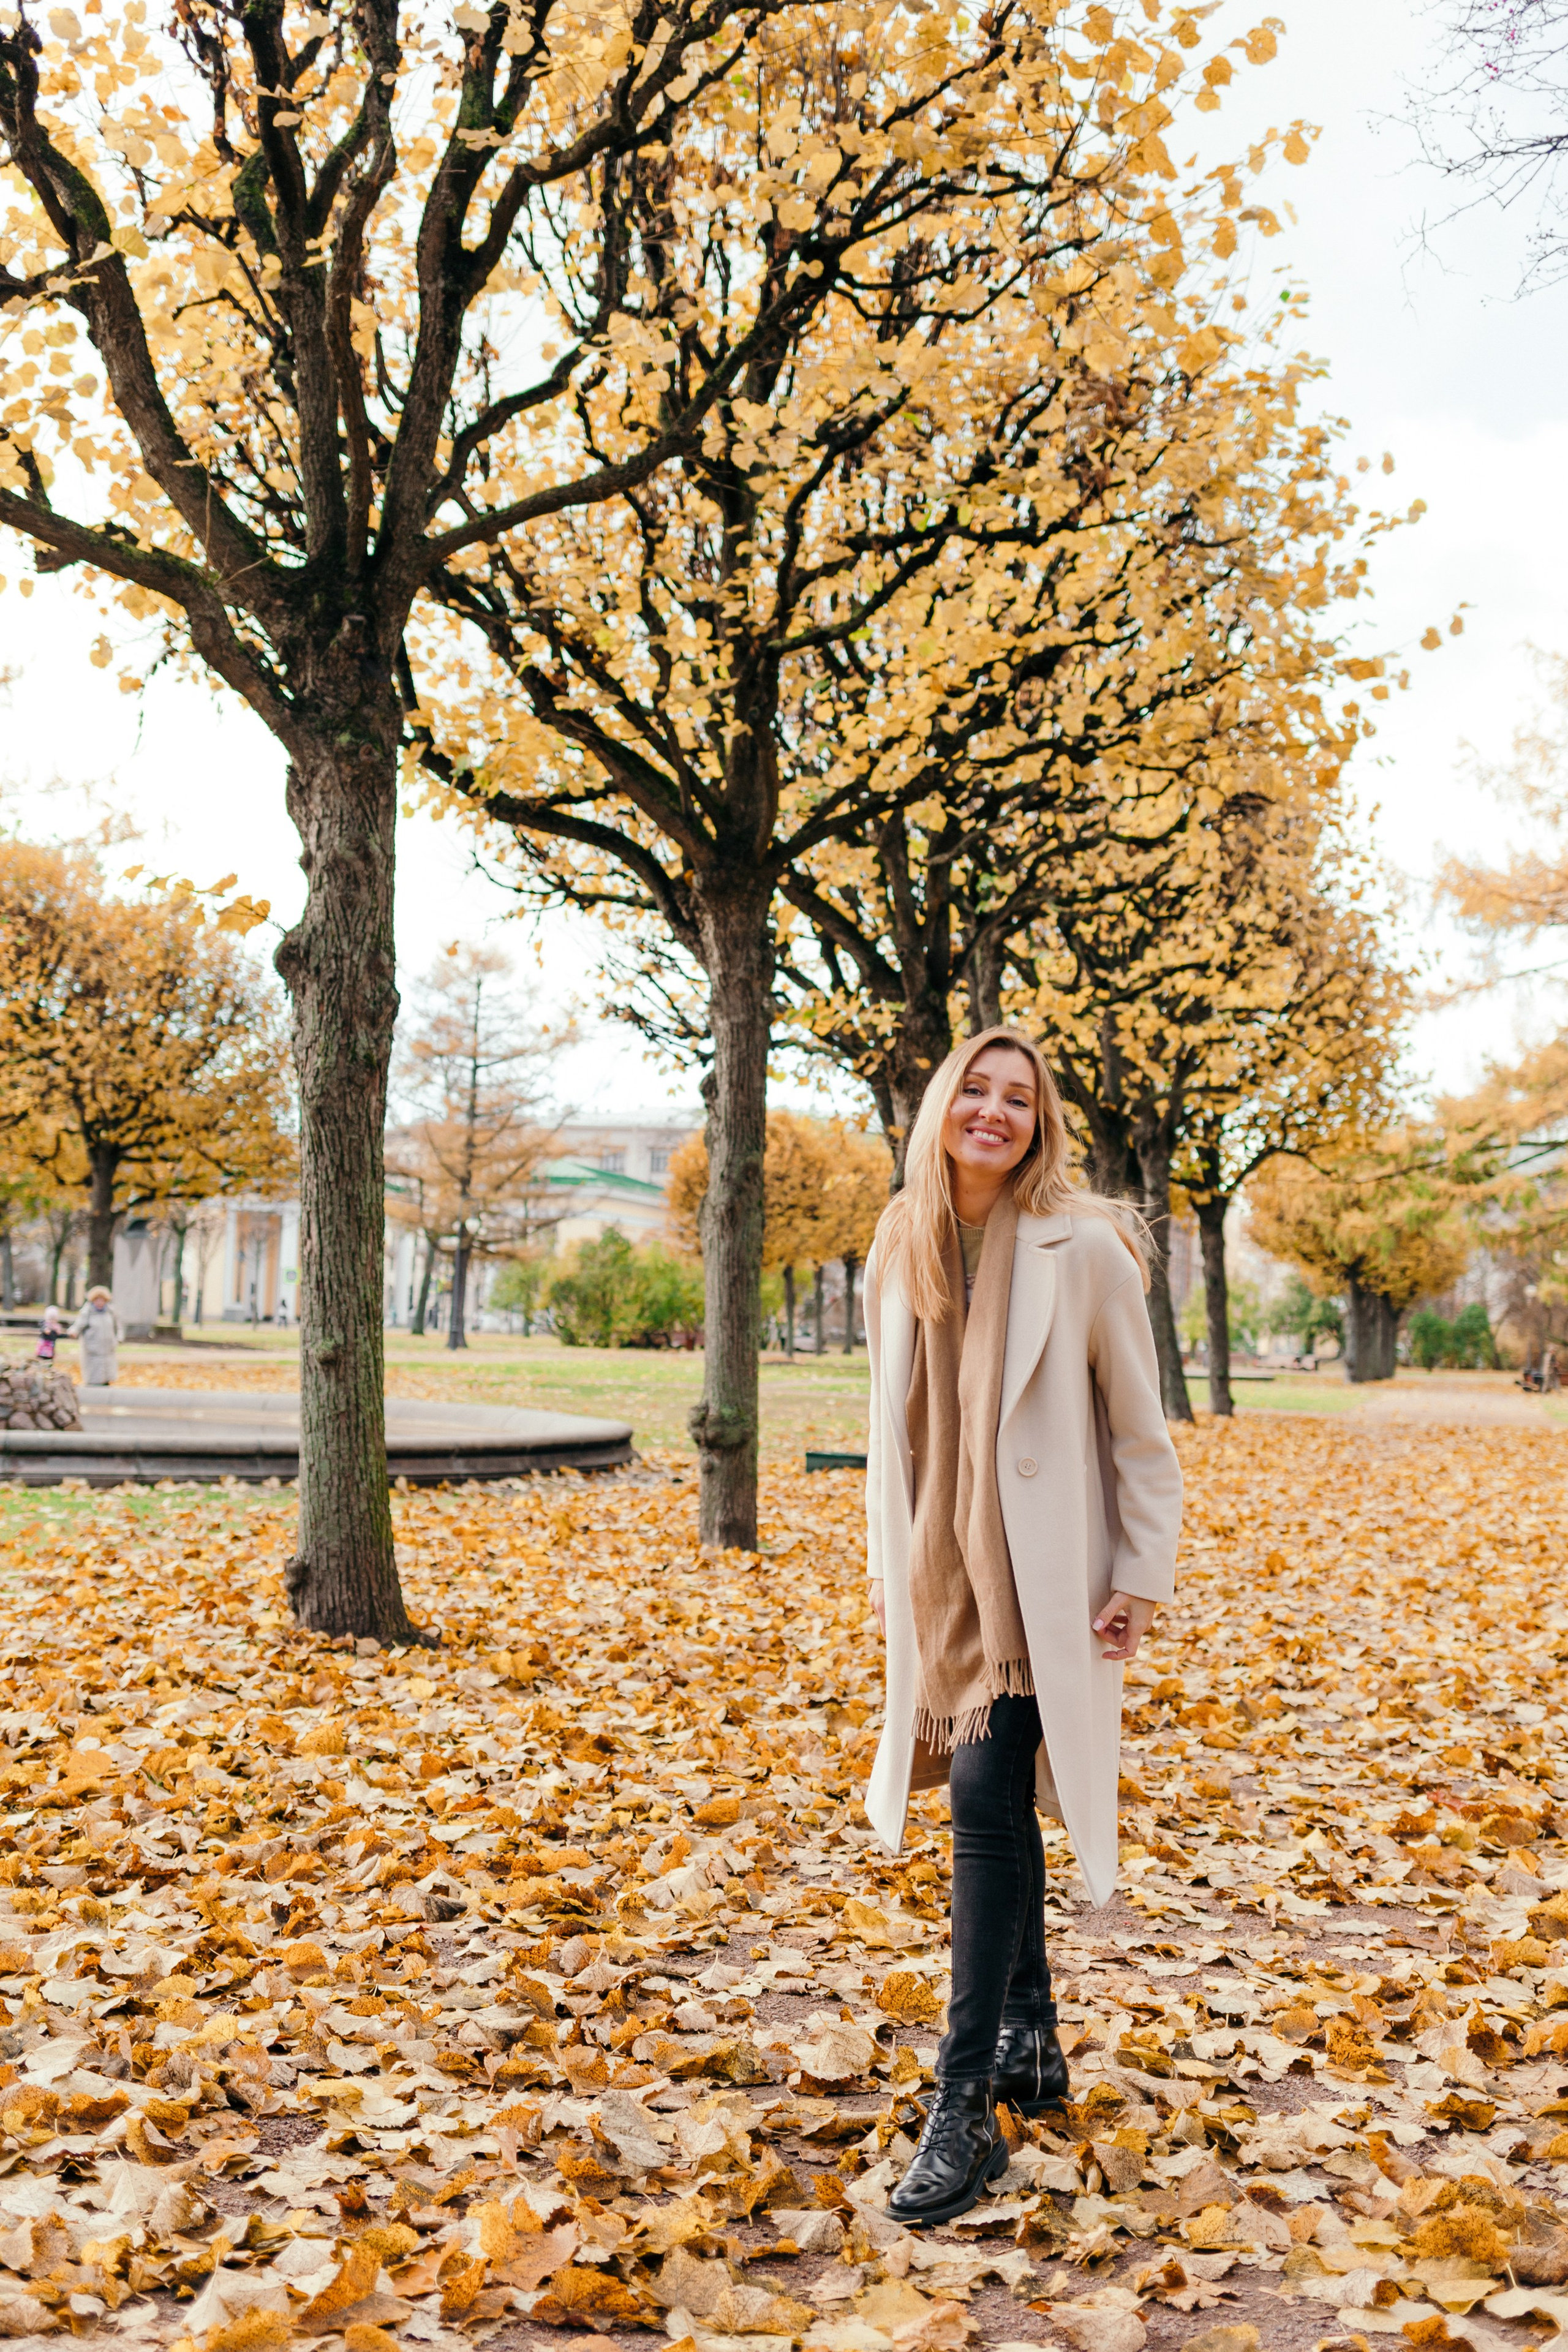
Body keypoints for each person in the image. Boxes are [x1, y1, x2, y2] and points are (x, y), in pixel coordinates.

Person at [862, 1026, 1183, 2227]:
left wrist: (1136, 1575)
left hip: (1039, 1579)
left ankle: (962, 2105)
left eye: (1018, 1100)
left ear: (1040, 1124)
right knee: (991, 1802)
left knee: (981, 1804)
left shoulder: (1081, 1249)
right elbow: (899, 1426)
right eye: (975, 1092)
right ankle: (1031, 2035)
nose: (993, 1113)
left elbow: (1137, 1434)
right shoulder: (903, 1240)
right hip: (941, 1571)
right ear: (942, 1103)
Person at [70, 1287, 121, 1387]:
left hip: (108, 1347)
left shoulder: (110, 1312)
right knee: (94, 1372)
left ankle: (106, 1384)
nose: (99, 1302)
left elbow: (118, 1327)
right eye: (97, 1300)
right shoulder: (87, 1312)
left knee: (107, 1369)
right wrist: (74, 1331)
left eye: (102, 1300)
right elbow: (79, 1324)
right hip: (93, 1347)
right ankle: (94, 1388)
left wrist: (118, 1339)